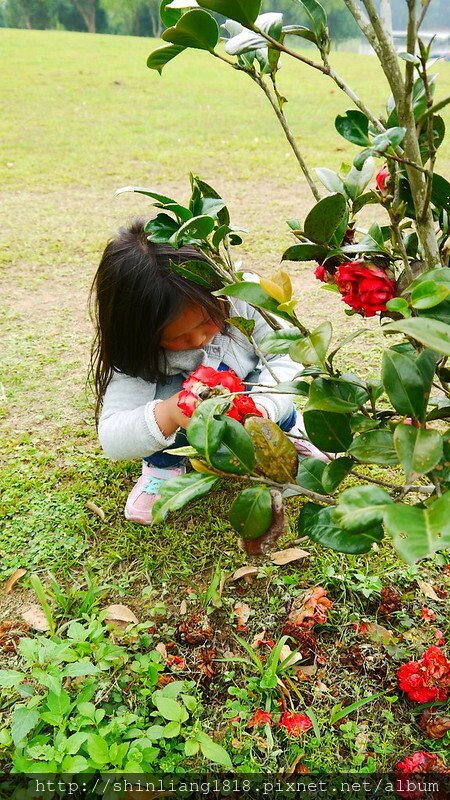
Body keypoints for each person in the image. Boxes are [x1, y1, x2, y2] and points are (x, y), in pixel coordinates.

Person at [90, 219, 323, 525]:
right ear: (138, 334)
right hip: (183, 424)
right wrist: (171, 414)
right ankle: (163, 466)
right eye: (176, 337)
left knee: (272, 386)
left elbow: (290, 354)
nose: (199, 339)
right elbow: (112, 437)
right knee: (163, 408)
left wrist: (263, 408)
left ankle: (286, 434)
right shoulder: (134, 355)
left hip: (256, 403)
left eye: (206, 322)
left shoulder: (245, 296)